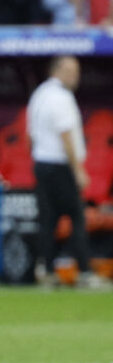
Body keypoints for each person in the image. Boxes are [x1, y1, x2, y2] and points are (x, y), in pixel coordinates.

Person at [27, 56, 107, 289]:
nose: (76, 76)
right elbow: (66, 136)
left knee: (49, 221)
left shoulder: (39, 94)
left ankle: (47, 270)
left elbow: (31, 136)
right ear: (56, 70)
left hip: (41, 163)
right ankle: (83, 271)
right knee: (76, 218)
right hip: (60, 165)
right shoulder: (61, 97)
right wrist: (78, 170)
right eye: (71, 70)